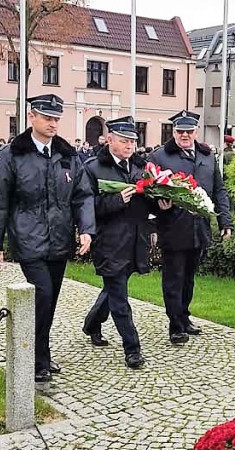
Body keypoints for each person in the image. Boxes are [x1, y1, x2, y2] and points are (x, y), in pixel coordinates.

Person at [0, 94, 96, 383]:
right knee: (42, 294)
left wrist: (86, 228)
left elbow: (82, 196)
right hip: (28, 237)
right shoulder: (13, 154)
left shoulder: (67, 155)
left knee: (50, 299)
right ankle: (33, 358)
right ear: (31, 117)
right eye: (47, 117)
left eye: (56, 118)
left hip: (58, 239)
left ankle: (41, 355)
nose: (53, 123)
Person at [151, 110, 233, 344]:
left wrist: (224, 220)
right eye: (180, 131)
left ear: (196, 131)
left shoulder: (207, 156)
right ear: (174, 132)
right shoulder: (160, 157)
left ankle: (184, 316)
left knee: (188, 278)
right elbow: (148, 194)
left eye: (189, 131)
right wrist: (157, 217)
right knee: (173, 279)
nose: (184, 135)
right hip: (173, 227)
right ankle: (175, 325)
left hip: (199, 228)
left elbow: (219, 190)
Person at [81, 116, 152, 369]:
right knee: (120, 299)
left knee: (114, 288)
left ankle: (91, 324)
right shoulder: (92, 168)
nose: (129, 146)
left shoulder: (142, 167)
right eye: (124, 141)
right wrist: (115, 201)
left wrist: (162, 205)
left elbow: (148, 203)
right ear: (109, 139)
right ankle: (132, 349)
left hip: (135, 241)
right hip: (109, 242)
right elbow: (85, 206)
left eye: (133, 141)